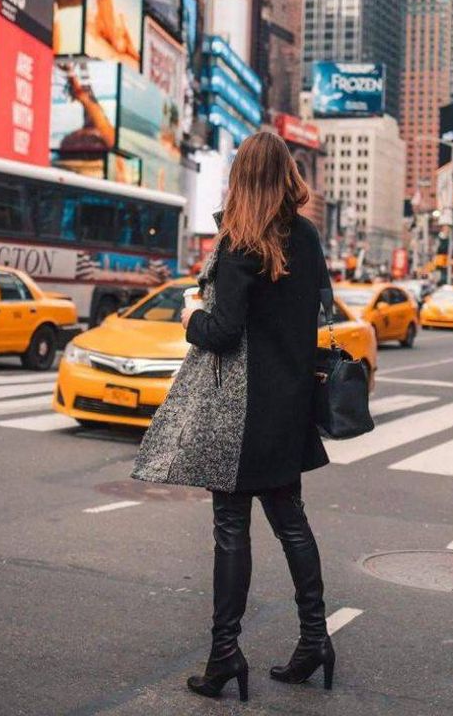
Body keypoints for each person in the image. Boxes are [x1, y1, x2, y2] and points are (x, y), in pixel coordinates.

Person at [132, 132, 335, 701]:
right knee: (292, 522)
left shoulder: (241, 242)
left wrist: (191, 316)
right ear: (289, 177)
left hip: (241, 413)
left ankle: (226, 654)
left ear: (241, 178)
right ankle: (315, 640)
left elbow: (221, 334)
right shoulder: (308, 236)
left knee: (231, 529)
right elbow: (319, 309)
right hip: (290, 406)